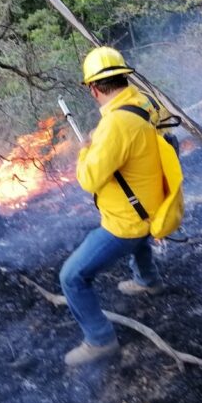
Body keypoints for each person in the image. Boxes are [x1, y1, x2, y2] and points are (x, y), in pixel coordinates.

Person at [59, 46, 166, 367]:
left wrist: (84, 150)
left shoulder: (114, 126)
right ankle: (148, 280)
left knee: (71, 277)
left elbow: (90, 179)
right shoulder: (144, 102)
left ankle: (99, 340)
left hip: (128, 220)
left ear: (94, 89)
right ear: (124, 76)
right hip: (153, 204)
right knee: (139, 228)